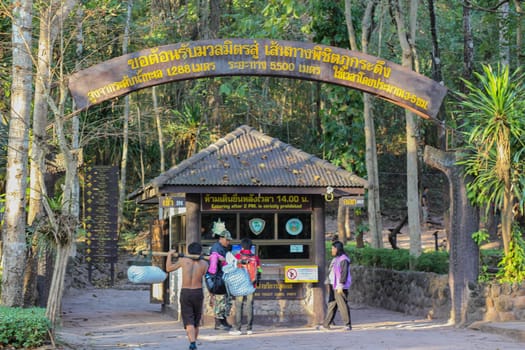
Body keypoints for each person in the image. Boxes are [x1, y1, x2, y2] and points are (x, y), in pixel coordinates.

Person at [165, 242, 209, 350]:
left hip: (186, 293)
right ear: (200, 252)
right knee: (196, 320)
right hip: (198, 292)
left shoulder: (183, 261)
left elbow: (168, 268)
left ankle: (192, 343)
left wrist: (169, 255)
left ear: (188, 252)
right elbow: (207, 276)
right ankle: (193, 342)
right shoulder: (204, 264)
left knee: (189, 320)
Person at [229, 237, 262, 335]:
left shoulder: (238, 256)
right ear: (251, 246)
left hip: (240, 285)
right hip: (251, 284)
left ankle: (238, 329)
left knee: (239, 306)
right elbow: (259, 270)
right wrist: (257, 282)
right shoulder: (255, 257)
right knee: (249, 306)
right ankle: (249, 329)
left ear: (242, 246)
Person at [321, 240, 352, 331]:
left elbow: (344, 273)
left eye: (333, 248)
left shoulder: (343, 259)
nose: (332, 250)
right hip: (333, 285)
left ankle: (347, 324)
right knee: (332, 304)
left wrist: (341, 285)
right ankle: (326, 324)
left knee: (342, 304)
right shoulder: (337, 259)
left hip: (339, 286)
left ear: (337, 249)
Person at [208, 228, 233, 331]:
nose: (228, 242)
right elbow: (213, 266)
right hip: (218, 278)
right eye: (226, 240)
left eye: (229, 240)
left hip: (223, 277)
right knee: (220, 301)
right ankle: (218, 323)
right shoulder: (216, 248)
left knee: (225, 301)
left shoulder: (223, 248)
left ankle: (224, 321)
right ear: (221, 238)